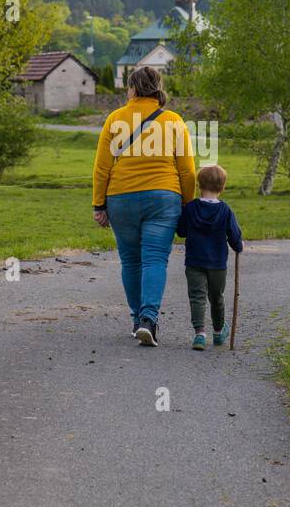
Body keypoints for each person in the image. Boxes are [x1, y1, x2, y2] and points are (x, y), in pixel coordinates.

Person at [92, 66, 195, 346]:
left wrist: (98, 204)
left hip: (121, 198)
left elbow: (102, 167)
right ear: (157, 88)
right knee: (154, 259)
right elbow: (187, 171)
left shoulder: (115, 119)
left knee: (130, 260)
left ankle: (138, 319)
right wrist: (188, 205)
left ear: (133, 89)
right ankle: (149, 319)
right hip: (163, 198)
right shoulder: (174, 120)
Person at [175, 164, 243, 351]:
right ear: (222, 187)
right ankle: (219, 331)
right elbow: (234, 235)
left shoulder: (191, 208)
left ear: (199, 185)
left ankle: (199, 334)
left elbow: (181, 231)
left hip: (194, 261)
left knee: (197, 297)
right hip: (217, 263)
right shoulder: (225, 211)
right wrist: (239, 246)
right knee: (216, 297)